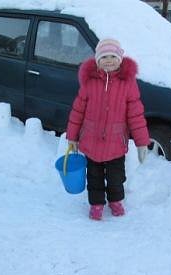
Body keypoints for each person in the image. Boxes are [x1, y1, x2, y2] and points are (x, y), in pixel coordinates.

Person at [66, 38, 150, 220]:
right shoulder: (90, 82)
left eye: (113, 56)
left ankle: (115, 201)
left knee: (116, 178)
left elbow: (135, 115)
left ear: (120, 59)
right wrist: (72, 138)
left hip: (115, 144)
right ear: (97, 60)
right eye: (104, 57)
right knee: (94, 177)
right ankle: (96, 205)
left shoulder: (128, 83)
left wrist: (142, 143)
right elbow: (77, 111)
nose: (109, 60)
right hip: (91, 141)